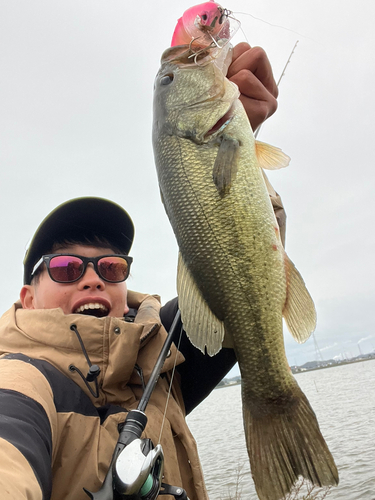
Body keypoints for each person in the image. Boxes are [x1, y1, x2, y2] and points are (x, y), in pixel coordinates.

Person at [0, 43, 284, 500]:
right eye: (67, 267)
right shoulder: (18, 383)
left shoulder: (158, 362)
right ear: (27, 297)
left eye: (110, 266)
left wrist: (235, 149)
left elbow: (240, 280)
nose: (93, 278)